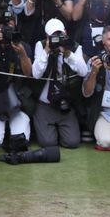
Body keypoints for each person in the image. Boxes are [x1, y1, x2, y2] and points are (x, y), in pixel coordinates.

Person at [0, 12, 33, 149]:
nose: (7, 29)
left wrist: (22, 54)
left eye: (10, 25)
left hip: (17, 101)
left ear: (15, 25)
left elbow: (28, 73)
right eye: (3, 26)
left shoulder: (22, 45)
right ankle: (3, 131)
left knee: (20, 141)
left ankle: (12, 130)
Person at [31, 18, 88, 148]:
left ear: (65, 33)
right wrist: (46, 51)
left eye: (60, 34)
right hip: (45, 103)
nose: (57, 38)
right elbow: (36, 74)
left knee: (72, 143)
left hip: (66, 102)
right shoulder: (41, 45)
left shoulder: (75, 47)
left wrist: (68, 53)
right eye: (53, 36)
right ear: (47, 36)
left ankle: (62, 130)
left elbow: (83, 72)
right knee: (48, 143)